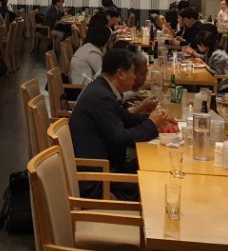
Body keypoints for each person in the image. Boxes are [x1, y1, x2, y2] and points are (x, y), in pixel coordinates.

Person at [68, 49, 176, 200]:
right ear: (120, 73)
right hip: (97, 179)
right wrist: (152, 123)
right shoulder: (101, 96)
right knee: (154, 186)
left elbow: (125, 118)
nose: (134, 76)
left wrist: (157, 120)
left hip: (106, 165)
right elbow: (121, 138)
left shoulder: (102, 88)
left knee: (151, 171)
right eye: (132, 72)